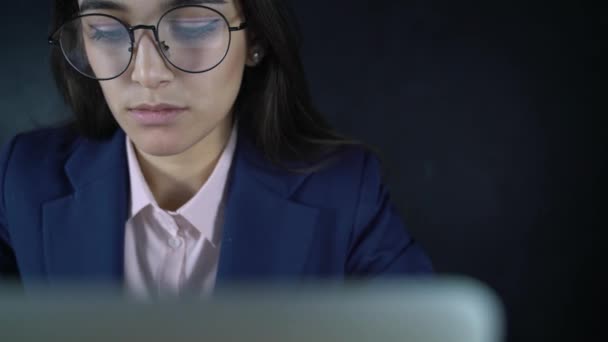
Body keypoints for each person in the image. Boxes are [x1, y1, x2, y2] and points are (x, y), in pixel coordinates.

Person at [0, 0, 432, 297]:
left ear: (257, 39)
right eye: (106, 31)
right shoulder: (24, 179)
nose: (147, 73)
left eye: (191, 25)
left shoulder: (345, 194)